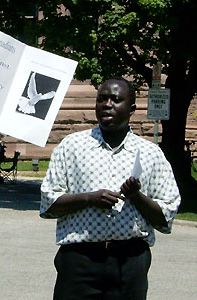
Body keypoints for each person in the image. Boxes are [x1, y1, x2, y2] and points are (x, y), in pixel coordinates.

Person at [40, 77, 181, 300]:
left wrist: (136, 196)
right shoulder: (71, 146)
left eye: (115, 99)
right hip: (79, 262)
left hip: (129, 262)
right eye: (102, 99)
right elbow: (49, 205)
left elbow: (165, 219)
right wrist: (88, 198)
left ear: (131, 108)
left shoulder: (151, 154)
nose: (107, 104)